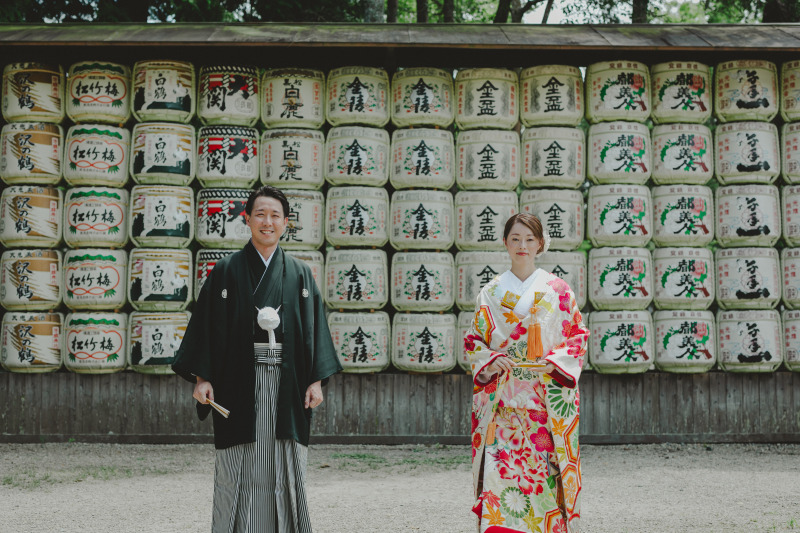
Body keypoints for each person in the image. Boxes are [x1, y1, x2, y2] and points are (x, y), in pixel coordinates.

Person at [172, 185, 342, 533]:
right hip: (237, 383)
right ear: (246, 218)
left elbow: (314, 330)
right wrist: (202, 378)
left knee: (286, 461)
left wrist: (316, 381)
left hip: (288, 384)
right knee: (238, 463)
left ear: (286, 223)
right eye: (260, 214)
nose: (268, 222)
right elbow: (206, 327)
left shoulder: (300, 274)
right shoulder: (225, 271)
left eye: (275, 215)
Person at [465, 213, 589, 533]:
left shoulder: (559, 290)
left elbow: (577, 336)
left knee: (542, 481)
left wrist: (556, 362)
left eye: (530, 239)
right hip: (503, 406)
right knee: (501, 482)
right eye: (516, 239)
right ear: (505, 243)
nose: (522, 245)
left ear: (540, 244)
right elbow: (474, 341)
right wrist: (491, 360)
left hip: (543, 403)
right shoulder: (491, 292)